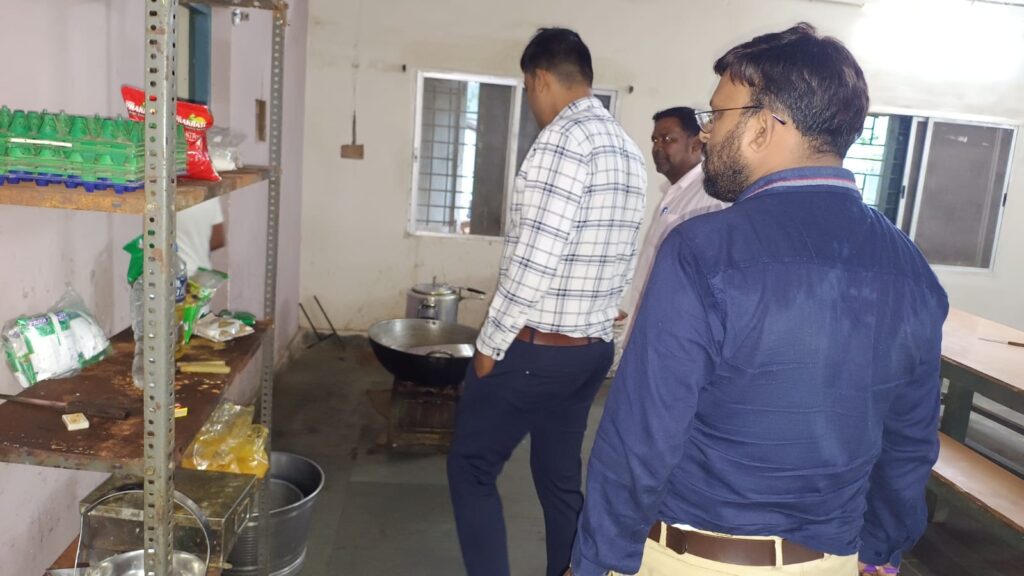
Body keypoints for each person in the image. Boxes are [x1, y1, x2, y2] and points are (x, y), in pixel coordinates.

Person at [570, 23, 948, 576]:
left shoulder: (703, 251)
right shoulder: (910, 268)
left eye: (717, 115)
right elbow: (909, 443)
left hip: (697, 561)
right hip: (833, 562)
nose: (706, 134)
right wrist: (878, 552)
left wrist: (596, 559)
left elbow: (641, 440)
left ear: (764, 127)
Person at [446, 27, 646, 576]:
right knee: (559, 479)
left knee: (471, 468)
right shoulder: (627, 150)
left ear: (539, 79)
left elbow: (534, 257)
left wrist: (490, 344)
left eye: (527, 89)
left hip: (536, 351)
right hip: (589, 353)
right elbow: (625, 253)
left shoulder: (562, 142)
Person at [617, 107, 727, 350]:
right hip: (650, 330)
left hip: (676, 336)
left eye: (668, 139)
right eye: (655, 140)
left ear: (696, 144)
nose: (658, 147)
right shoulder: (673, 193)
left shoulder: (709, 196)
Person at [176, 198, 225, 276]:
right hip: (202, 276)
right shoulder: (211, 197)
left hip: (174, 276)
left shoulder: (161, 198)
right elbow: (218, 240)